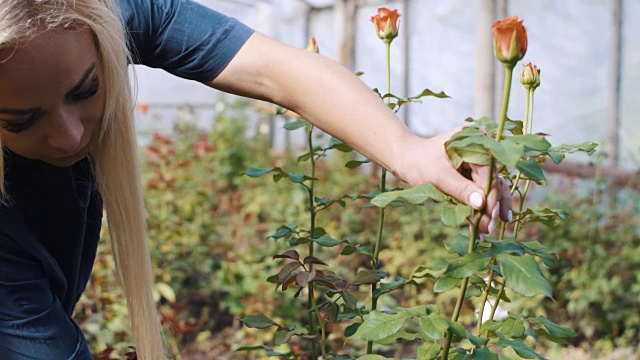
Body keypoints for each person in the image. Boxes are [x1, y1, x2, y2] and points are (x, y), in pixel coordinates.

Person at [0, 0, 511, 358]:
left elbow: (273, 71)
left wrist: (408, 152)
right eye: (20, 121)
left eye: (86, 90)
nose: (68, 137)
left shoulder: (104, 10)